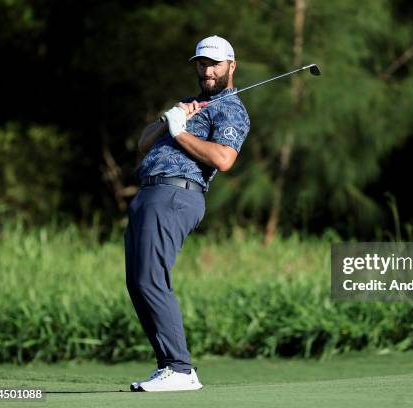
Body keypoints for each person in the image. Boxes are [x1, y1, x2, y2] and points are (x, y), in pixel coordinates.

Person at [125, 35, 250, 392]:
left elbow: (224, 159)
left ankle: (180, 369)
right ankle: (169, 365)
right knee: (138, 282)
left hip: (176, 193)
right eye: (201, 63)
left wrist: (179, 134)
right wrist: (169, 119)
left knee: (151, 279)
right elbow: (143, 143)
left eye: (214, 63)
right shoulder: (191, 105)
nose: (207, 70)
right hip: (149, 193)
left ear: (231, 66)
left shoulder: (230, 108)